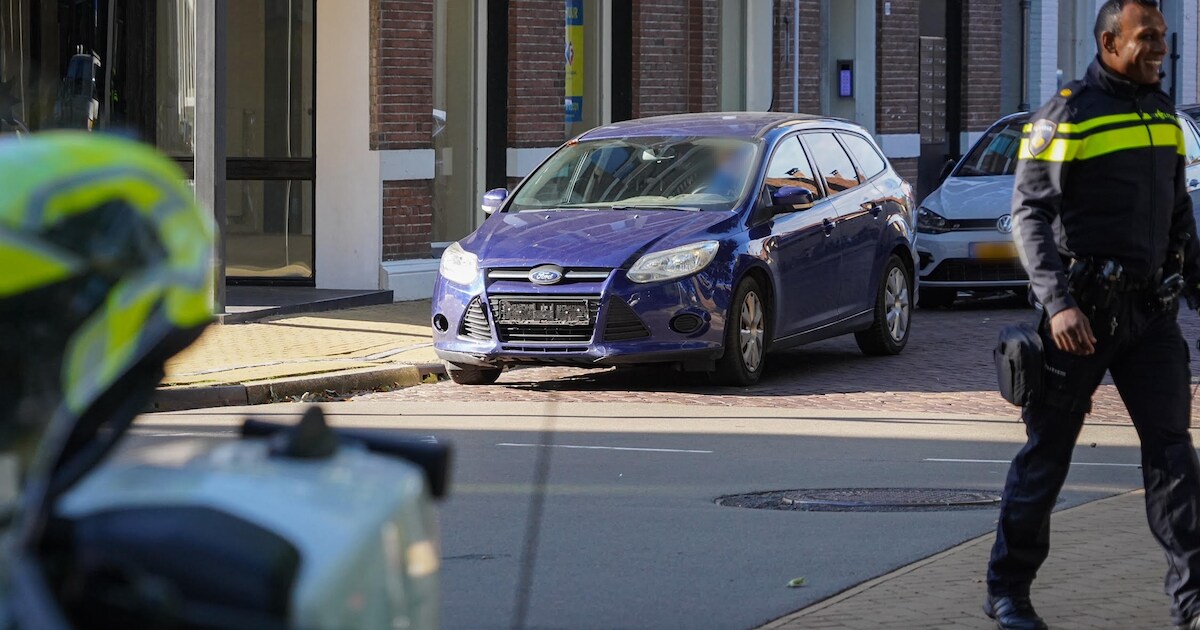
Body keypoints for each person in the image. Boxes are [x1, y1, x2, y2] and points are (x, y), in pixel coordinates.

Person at [985, 1, 1200, 628]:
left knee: (1172, 455)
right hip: (1082, 318)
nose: (1161, 47)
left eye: (1163, 36)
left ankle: (1192, 604)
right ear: (1110, 42)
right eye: (1148, 37)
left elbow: (1178, 212)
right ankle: (1007, 592)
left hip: (1150, 317)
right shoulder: (1067, 113)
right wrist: (1057, 305)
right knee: (1048, 453)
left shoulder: (1163, 113)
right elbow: (1028, 216)